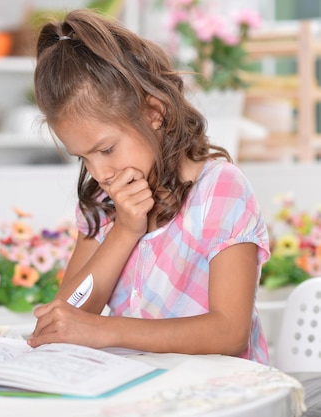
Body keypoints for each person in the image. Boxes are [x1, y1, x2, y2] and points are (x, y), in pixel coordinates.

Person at [26, 8, 270, 364]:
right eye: (83, 159)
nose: (99, 173)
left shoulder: (219, 190)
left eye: (106, 149)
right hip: (140, 392)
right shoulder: (102, 199)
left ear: (154, 113)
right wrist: (124, 230)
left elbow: (230, 332)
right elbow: (70, 310)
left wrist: (107, 330)